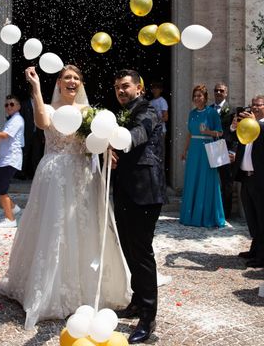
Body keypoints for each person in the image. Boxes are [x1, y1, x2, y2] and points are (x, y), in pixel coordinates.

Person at [0, 66, 129, 331]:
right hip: (55, 175)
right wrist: (35, 88)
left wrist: (107, 151)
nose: (72, 81)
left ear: (80, 84)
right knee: (53, 230)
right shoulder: (49, 108)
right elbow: (42, 123)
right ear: (59, 82)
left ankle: (87, 290)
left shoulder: (88, 113)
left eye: (76, 78)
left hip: (83, 176)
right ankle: (49, 290)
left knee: (83, 229)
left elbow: (96, 141)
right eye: (67, 77)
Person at [112, 69, 165, 344]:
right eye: (117, 87)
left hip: (145, 191)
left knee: (142, 253)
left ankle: (148, 315)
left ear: (139, 88)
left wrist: (115, 140)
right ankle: (137, 300)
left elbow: (139, 134)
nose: (121, 91)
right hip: (123, 191)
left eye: (125, 86)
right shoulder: (122, 112)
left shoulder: (148, 110)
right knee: (129, 249)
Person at [231, 95, 264, 268]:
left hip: (263, 178)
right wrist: (233, 128)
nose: (254, 108)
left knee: (263, 217)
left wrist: (257, 123)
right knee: (252, 216)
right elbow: (237, 142)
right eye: (252, 105)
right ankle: (255, 248)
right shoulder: (246, 125)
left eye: (258, 105)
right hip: (246, 176)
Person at [180, 84, 225, 227]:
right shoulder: (192, 113)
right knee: (192, 180)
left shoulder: (212, 113)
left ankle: (206, 216)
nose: (196, 98)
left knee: (206, 181)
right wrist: (184, 150)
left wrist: (207, 132)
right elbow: (189, 133)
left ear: (205, 98)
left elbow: (220, 133)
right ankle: (191, 215)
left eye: (199, 96)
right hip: (194, 150)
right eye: (195, 96)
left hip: (206, 150)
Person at [0, 94, 24, 228]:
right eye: (6, 104)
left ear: (18, 106)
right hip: (2, 160)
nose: (8, 107)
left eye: (12, 104)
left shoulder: (17, 120)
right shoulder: (11, 120)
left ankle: (10, 219)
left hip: (9, 160)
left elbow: (5, 135)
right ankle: (13, 208)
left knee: (1, 191)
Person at [210, 82, 236, 218]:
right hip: (211, 147)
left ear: (226, 93)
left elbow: (236, 133)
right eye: (216, 90)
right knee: (211, 179)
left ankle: (226, 213)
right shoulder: (209, 109)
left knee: (226, 181)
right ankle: (211, 210)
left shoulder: (232, 110)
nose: (218, 93)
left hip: (225, 147)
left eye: (221, 90)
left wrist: (233, 151)